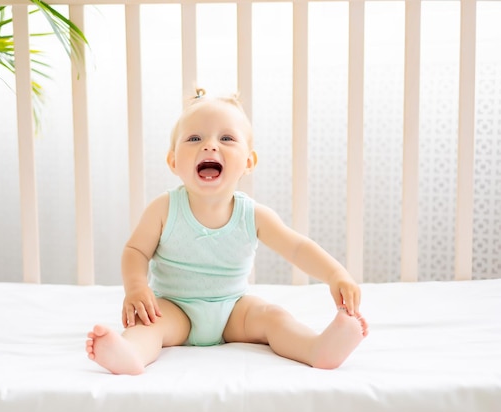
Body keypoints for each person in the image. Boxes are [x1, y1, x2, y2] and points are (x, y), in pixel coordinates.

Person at [86, 89, 368, 375]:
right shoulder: (164, 208)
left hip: (234, 310)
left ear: (248, 162)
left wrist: (335, 274)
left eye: (227, 138)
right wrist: (136, 288)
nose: (209, 146)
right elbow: (136, 251)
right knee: (148, 326)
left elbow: (296, 248)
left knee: (273, 317)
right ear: (173, 161)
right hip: (174, 308)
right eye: (194, 138)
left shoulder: (253, 215)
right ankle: (130, 353)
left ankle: (316, 348)